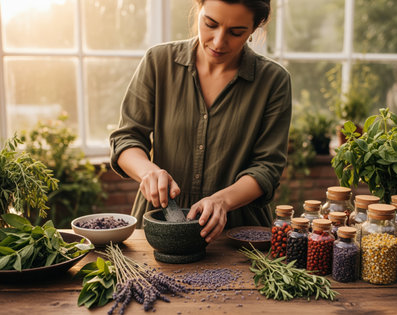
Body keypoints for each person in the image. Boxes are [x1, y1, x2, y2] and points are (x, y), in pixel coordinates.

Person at [109, 0, 292, 243]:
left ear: (254, 29)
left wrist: (222, 201)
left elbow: (267, 167)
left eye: (236, 32)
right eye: (210, 24)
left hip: (237, 234)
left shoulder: (273, 81)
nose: (218, 41)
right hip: (160, 224)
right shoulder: (158, 62)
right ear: (198, 8)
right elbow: (126, 138)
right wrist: (148, 172)